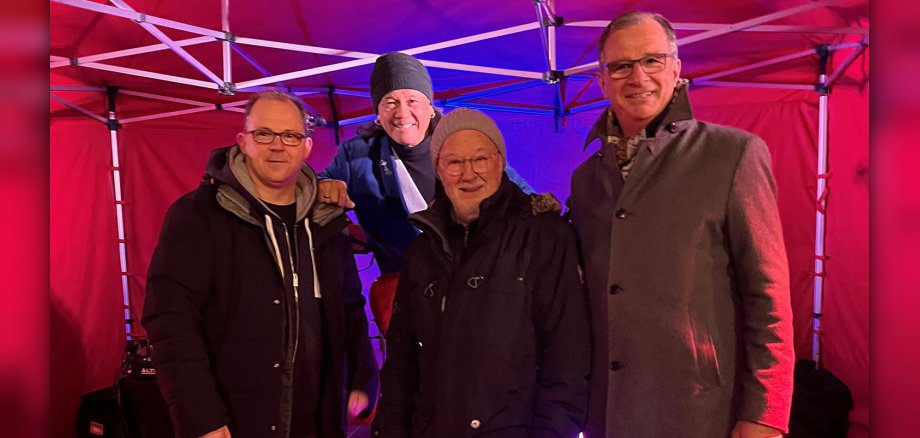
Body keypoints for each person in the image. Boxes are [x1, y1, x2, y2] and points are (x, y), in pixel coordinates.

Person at [568, 12, 795, 438]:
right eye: (621, 66)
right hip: (608, 414)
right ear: (601, 80)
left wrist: (766, 413)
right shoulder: (586, 179)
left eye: (652, 61)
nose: (638, 77)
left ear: (676, 68)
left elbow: (768, 296)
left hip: (701, 412)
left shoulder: (733, 155)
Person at [142, 90, 379, 438]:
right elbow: (170, 321)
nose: (278, 146)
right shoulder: (198, 216)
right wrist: (200, 416)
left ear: (306, 147)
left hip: (318, 423)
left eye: (290, 135)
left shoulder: (325, 220)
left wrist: (363, 375)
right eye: (264, 134)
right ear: (244, 141)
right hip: (234, 424)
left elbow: (350, 309)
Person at [372, 108, 590, 437]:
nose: (468, 173)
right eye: (454, 162)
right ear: (439, 171)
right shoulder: (423, 252)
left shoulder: (544, 237)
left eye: (480, 159)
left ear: (500, 163)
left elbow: (567, 360)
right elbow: (401, 365)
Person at [317, 52, 534, 276]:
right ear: (378, 113)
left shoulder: (459, 141)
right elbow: (314, 185)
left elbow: (522, 196)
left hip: (479, 276)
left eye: (412, 101)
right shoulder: (356, 154)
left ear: (430, 108)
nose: (402, 113)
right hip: (406, 285)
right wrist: (325, 185)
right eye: (390, 103)